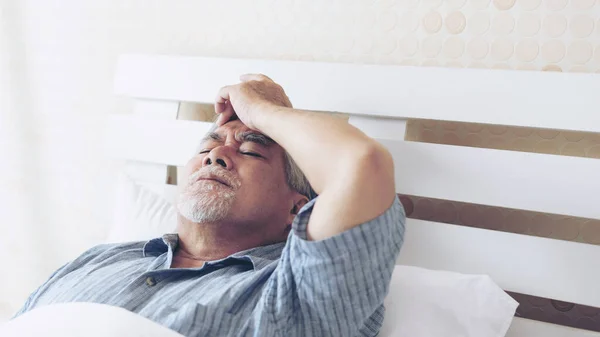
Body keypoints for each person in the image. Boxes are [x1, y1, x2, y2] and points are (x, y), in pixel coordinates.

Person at [13, 74, 406, 336]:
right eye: (206, 146)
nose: (216, 155)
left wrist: (267, 113)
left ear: (297, 208)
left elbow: (361, 165)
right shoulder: (99, 259)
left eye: (251, 150)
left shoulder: (296, 296)